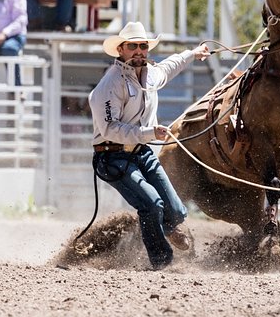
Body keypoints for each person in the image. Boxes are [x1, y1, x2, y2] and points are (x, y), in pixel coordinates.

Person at [88, 21, 210, 270]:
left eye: (143, 46)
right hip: (112, 157)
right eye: (132, 46)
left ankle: (162, 227)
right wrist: (148, 133)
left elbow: (170, 66)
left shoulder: (151, 74)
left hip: (140, 152)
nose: (139, 51)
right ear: (120, 49)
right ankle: (162, 262)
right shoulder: (109, 86)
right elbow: (110, 129)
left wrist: (192, 53)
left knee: (176, 211)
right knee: (152, 204)